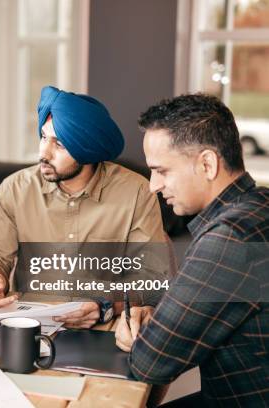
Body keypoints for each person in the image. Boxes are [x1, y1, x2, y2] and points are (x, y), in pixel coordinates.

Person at [115, 94, 268, 407]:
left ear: (207, 164)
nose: (153, 186)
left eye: (162, 171)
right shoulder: (259, 204)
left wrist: (135, 337)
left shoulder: (229, 239)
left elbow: (151, 362)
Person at [0, 86, 169, 329]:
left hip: (101, 327)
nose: (43, 153)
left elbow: (150, 278)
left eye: (60, 144)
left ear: (87, 150)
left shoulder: (137, 192)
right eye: (43, 137)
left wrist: (105, 307)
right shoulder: (15, 188)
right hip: (29, 323)